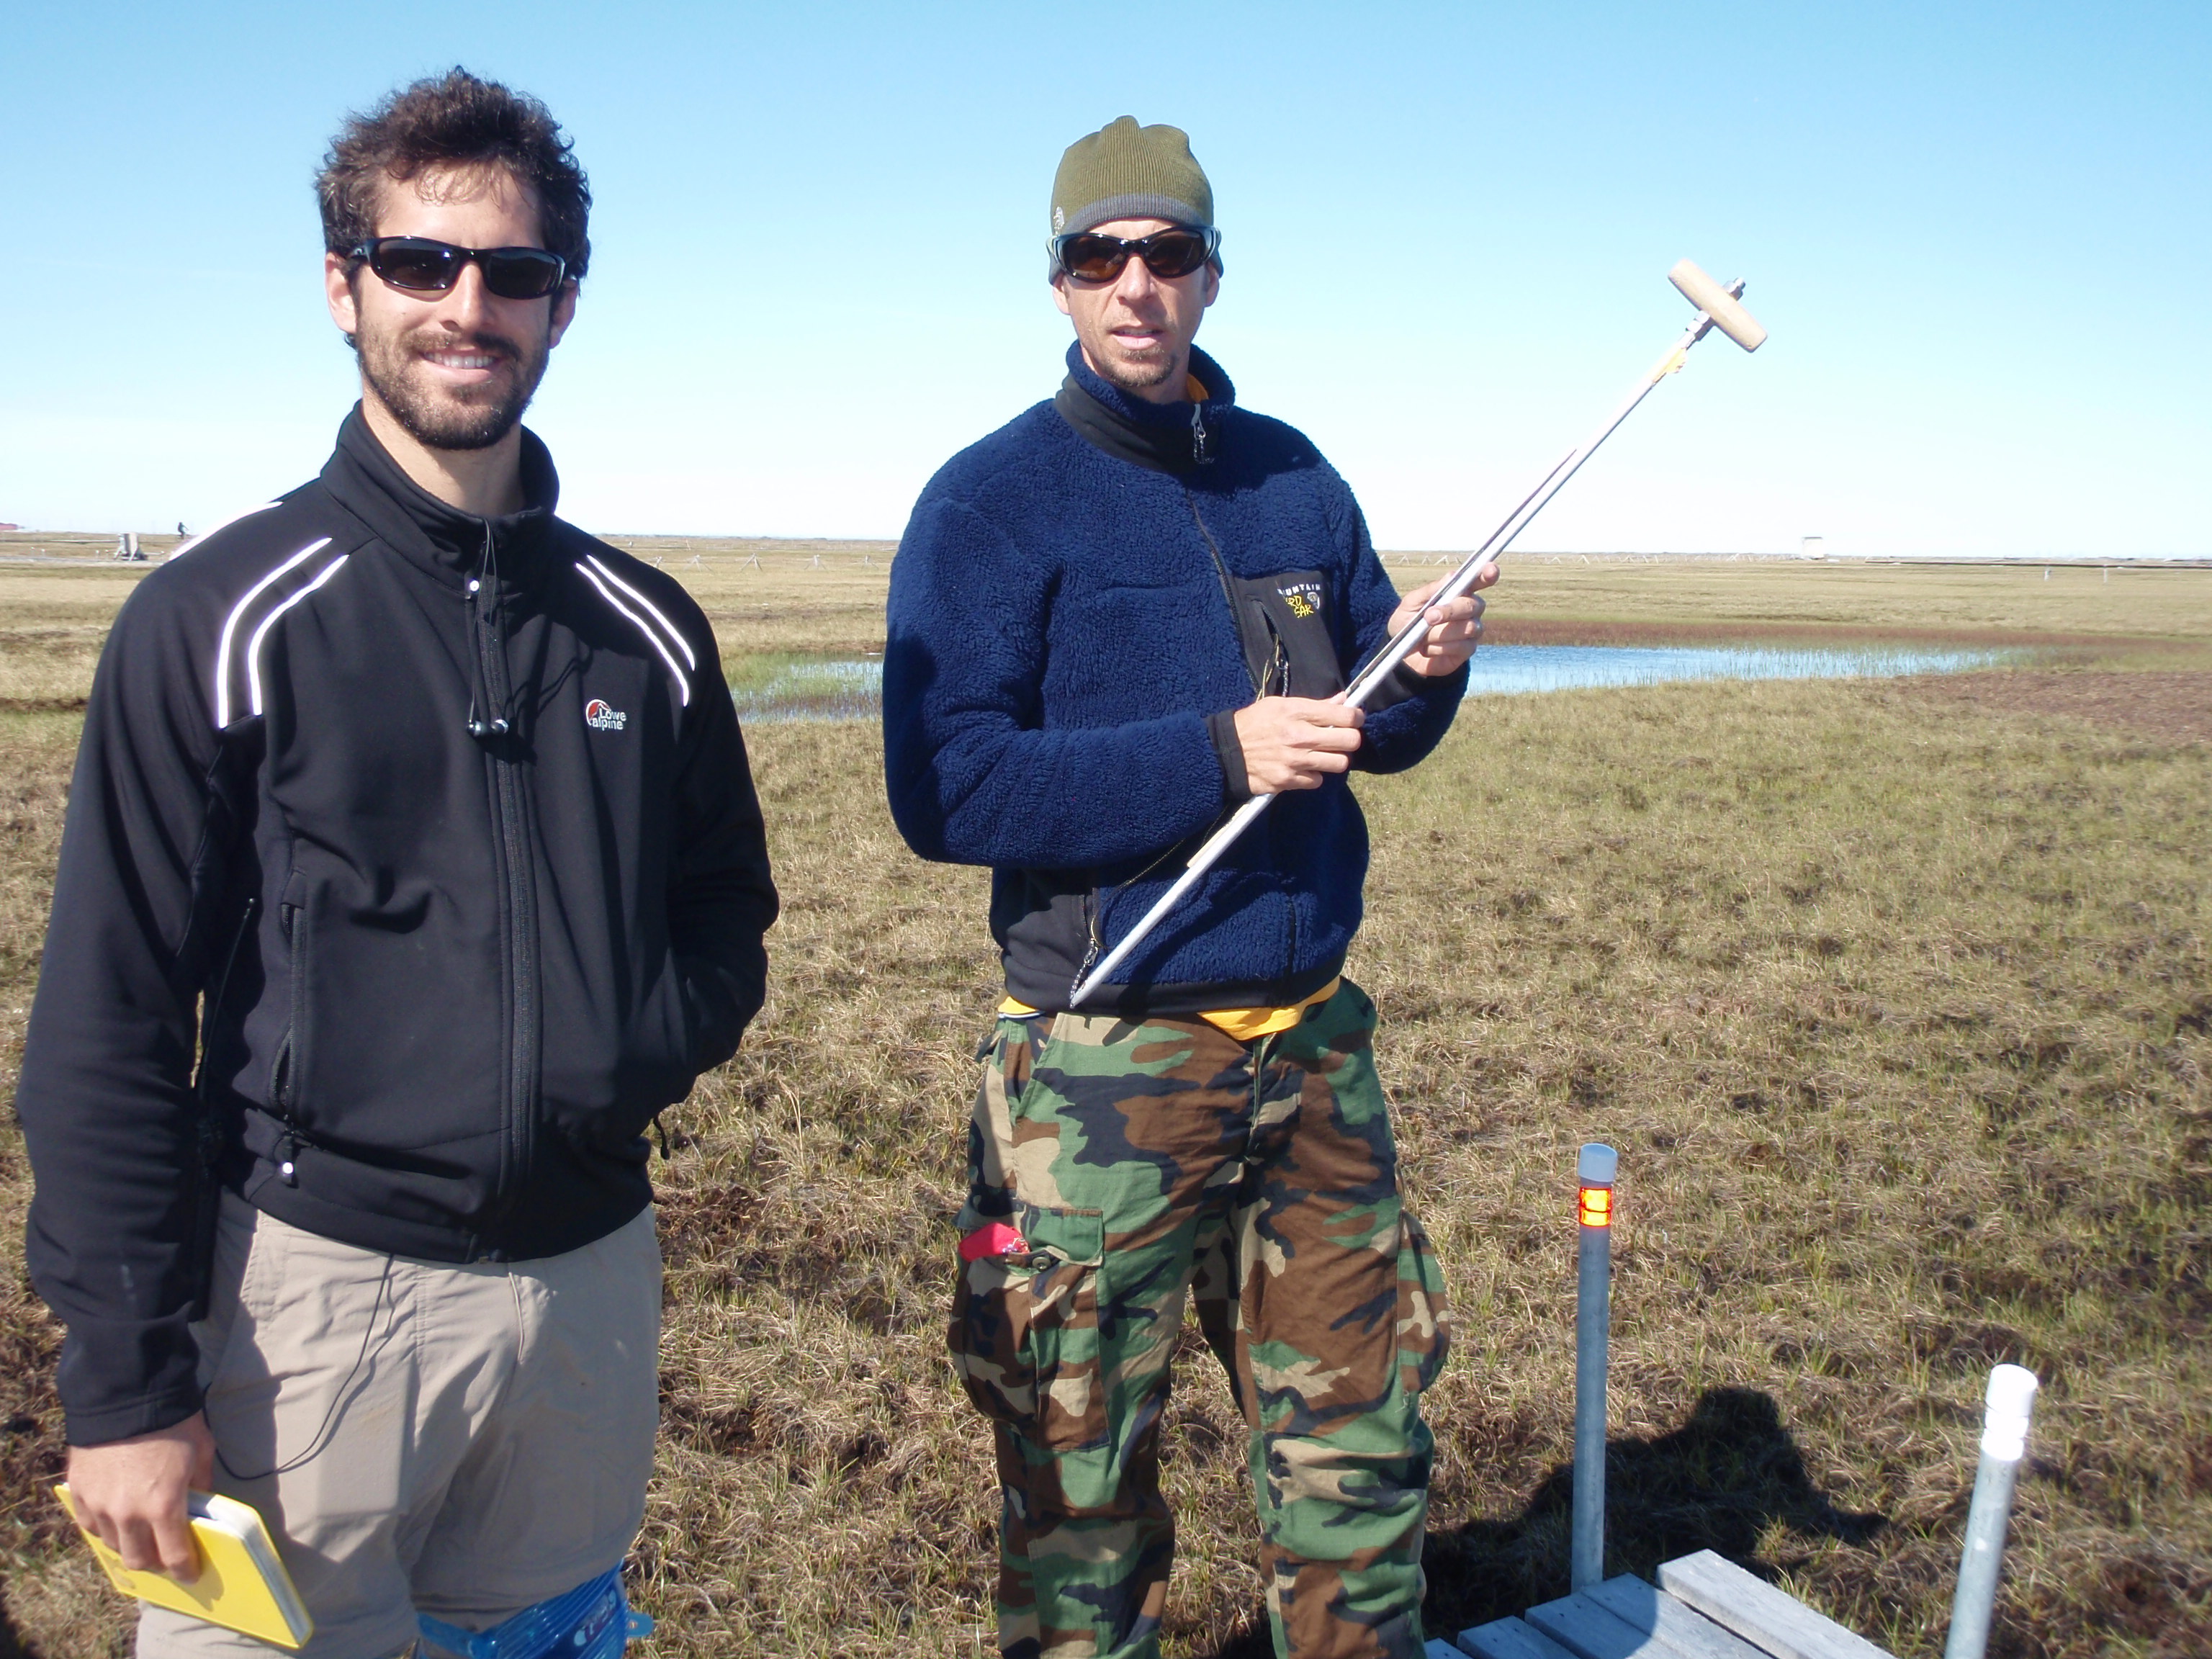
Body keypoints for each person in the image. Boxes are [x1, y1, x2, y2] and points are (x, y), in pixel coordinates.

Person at [19, 69, 778, 1658]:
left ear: (564, 303)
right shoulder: (218, 620)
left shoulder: (644, 630)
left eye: (513, 270)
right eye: (420, 261)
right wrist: (128, 1388)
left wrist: (629, 1050)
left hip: (586, 1294)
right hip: (306, 1302)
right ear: (342, 286)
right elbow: (108, 1022)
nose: (466, 306)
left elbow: (725, 903)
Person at [884, 117, 1491, 1659]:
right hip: (1107, 1067)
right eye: (1099, 256)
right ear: (1059, 282)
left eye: (1166, 253)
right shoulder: (990, 502)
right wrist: (1218, 752)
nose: (1134, 284)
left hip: (1314, 1054)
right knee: (1079, 1492)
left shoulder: (1293, 476)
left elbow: (1367, 729)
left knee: (1364, 1460)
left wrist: (1423, 668)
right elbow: (945, 786)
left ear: (1213, 274)